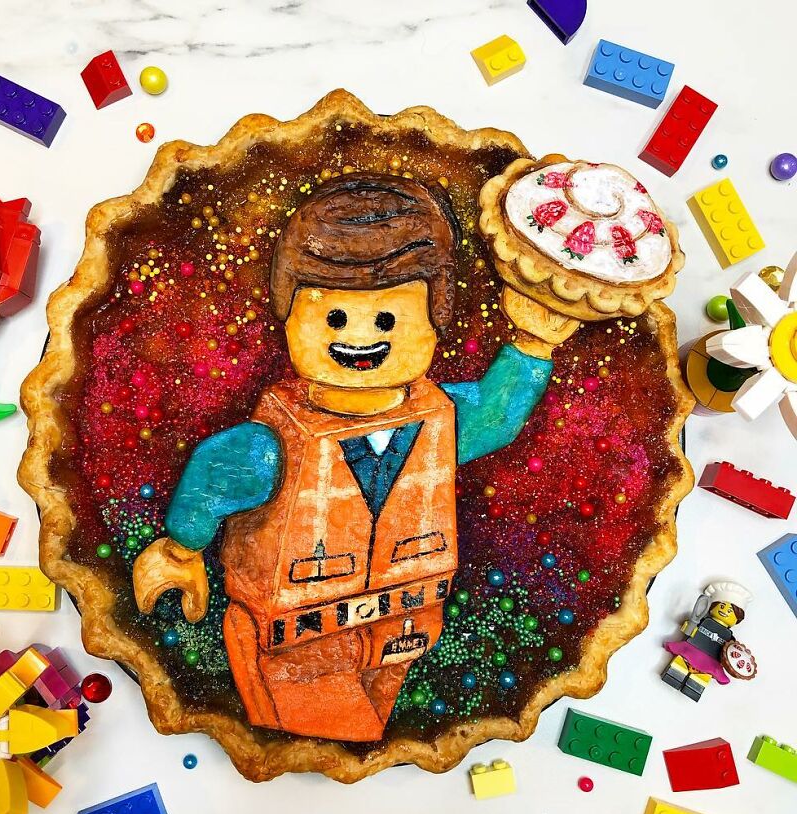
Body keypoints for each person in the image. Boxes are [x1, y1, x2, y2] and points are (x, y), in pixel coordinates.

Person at [132, 172, 579, 740]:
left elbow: (495, 415)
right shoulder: (272, 444)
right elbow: (214, 475)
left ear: (433, 325)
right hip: (295, 638)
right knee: (342, 734)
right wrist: (180, 548)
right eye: (334, 317)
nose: (361, 338)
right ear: (289, 319)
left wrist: (533, 344)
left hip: (406, 623)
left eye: (388, 319)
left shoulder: (442, 417)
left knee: (372, 728)